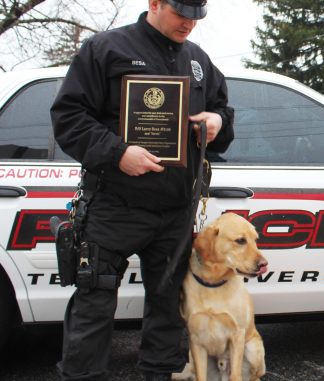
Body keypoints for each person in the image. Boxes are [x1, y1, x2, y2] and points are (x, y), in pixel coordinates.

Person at [50, 1, 234, 380]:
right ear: (154, 3)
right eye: (180, 13)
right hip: (116, 202)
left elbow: (222, 114)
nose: (189, 23)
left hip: (176, 209)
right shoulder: (105, 50)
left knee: (169, 306)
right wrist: (118, 154)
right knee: (94, 303)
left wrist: (216, 121)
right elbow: (68, 117)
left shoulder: (198, 60)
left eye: (196, 16)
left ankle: (160, 374)